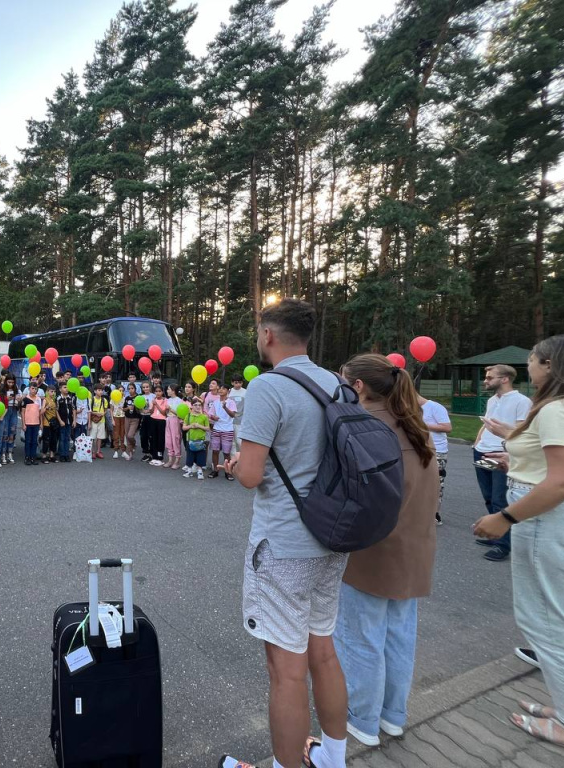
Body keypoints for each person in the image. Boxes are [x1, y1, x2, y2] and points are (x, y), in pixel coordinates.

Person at [221, 299, 349, 768]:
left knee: (286, 673)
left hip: (284, 545)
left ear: (269, 335)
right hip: (334, 538)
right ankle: (332, 757)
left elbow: (252, 475)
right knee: (324, 654)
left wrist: (236, 465)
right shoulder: (335, 383)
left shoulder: (268, 388)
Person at [473, 335, 564, 750]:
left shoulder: (556, 408)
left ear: (549, 365)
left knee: (547, 621)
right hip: (550, 516)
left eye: (532, 360)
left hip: (544, 520)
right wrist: (515, 458)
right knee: (558, 615)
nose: (529, 366)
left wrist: (505, 518)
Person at [333, 354, 438, 747]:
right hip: (415, 547)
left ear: (357, 386)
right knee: (399, 637)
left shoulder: (363, 430)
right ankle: (393, 715)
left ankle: (361, 717)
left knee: (361, 637)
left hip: (373, 550)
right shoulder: (415, 427)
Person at [473, 364, 532, 561]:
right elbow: (487, 423)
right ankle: (495, 532)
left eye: (490, 378)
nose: (485, 381)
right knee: (489, 497)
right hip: (482, 452)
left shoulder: (521, 401)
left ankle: (503, 545)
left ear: (505, 379)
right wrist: (476, 443)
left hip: (502, 454)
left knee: (500, 499)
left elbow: (523, 429)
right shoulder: (491, 400)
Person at [418, 396, 452, 524]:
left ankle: (434, 514)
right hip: (419, 449)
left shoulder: (435, 407)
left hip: (437, 451)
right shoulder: (410, 407)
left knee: (436, 482)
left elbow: (447, 427)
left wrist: (421, 425)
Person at [208, 384, 237, 481]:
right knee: (215, 451)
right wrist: (213, 417)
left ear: (228, 391)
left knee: (226, 453)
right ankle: (215, 470)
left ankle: (228, 472)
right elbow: (210, 414)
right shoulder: (215, 402)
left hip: (227, 430)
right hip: (216, 428)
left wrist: (225, 407)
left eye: (223, 388)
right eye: (220, 388)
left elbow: (233, 415)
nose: (221, 390)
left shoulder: (231, 402)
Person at [181, 398, 209, 480]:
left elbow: (207, 428)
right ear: (192, 406)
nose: (198, 407)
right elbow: (184, 428)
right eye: (195, 405)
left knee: (200, 456)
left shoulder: (204, 417)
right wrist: (191, 426)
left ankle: (200, 471)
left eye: (199, 405)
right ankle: (189, 470)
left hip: (200, 440)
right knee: (190, 455)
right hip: (190, 440)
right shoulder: (188, 416)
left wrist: (199, 426)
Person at [21, 381, 44, 465]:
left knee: (35, 441)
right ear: (29, 389)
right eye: (32, 388)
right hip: (28, 423)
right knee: (28, 441)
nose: (34, 390)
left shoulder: (38, 399)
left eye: (35, 389)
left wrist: (41, 423)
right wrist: (23, 424)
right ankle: (27, 457)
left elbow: (39, 412)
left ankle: (33, 457)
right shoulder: (25, 399)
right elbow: (22, 412)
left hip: (36, 423)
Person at [1, 374, 20, 464]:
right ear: (5, 381)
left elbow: (20, 401)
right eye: (9, 382)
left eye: (12, 382)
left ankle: (10, 453)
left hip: (14, 411)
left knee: (12, 432)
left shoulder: (16, 389)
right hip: (5, 411)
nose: (11, 384)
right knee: (5, 433)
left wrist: (18, 401)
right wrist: (6, 399)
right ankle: (3, 454)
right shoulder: (2, 389)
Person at [163, 383, 183, 470]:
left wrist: (170, 409)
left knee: (176, 439)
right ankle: (170, 459)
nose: (167, 391)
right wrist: (167, 411)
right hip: (168, 419)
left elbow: (180, 414)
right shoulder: (168, 400)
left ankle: (177, 460)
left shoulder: (179, 400)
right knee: (169, 439)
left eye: (168, 389)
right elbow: (166, 413)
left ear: (173, 390)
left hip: (175, 420)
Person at [56, 383, 76, 462]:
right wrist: (60, 421)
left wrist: (74, 420)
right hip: (62, 422)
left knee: (67, 438)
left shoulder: (71, 398)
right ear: (60, 389)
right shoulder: (58, 398)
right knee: (62, 438)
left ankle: (66, 454)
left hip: (69, 421)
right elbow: (56, 411)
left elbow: (74, 410)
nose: (66, 389)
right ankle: (62, 454)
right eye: (64, 387)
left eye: (67, 387)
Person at [149, 384, 168, 465]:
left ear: (162, 392)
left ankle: (160, 457)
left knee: (160, 438)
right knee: (153, 438)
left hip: (161, 421)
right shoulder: (153, 400)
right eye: (156, 391)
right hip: (153, 419)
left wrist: (157, 404)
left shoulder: (165, 400)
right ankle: (154, 456)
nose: (158, 393)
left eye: (159, 391)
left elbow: (164, 413)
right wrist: (153, 405)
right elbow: (151, 412)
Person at [89, 384, 109, 460]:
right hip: (93, 420)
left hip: (102, 420)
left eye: (101, 390)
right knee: (93, 437)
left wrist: (102, 414)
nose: (100, 392)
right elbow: (89, 411)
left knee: (100, 437)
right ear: (95, 391)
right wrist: (96, 413)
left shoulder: (104, 400)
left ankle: (98, 451)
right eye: (99, 390)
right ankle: (93, 452)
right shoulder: (92, 400)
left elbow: (105, 409)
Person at [41, 385, 59, 463]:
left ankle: (52, 455)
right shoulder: (45, 400)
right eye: (51, 391)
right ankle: (44, 456)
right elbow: (41, 412)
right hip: (46, 423)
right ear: (47, 392)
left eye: (54, 392)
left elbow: (55, 412)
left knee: (53, 439)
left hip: (53, 422)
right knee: (46, 440)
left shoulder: (54, 400)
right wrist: (46, 407)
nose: (53, 393)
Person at [123, 383, 140, 461]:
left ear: (135, 389)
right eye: (129, 389)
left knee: (130, 435)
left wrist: (136, 407)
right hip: (127, 418)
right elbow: (123, 409)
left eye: (132, 388)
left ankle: (134, 444)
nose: (130, 390)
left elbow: (141, 408)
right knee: (127, 435)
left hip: (135, 419)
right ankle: (130, 453)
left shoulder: (138, 397)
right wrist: (127, 408)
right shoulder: (127, 398)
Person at [138, 381, 154, 461]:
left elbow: (155, 406)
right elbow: (138, 406)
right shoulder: (140, 397)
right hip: (143, 418)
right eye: (144, 387)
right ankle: (146, 453)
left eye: (147, 387)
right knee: (143, 436)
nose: (145, 388)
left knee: (151, 435)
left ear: (150, 387)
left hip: (151, 418)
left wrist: (150, 411)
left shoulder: (153, 396)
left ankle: (152, 453)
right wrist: (141, 410)